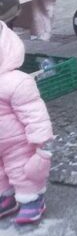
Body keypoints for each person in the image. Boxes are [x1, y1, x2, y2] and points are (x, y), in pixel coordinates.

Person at [0, 21, 52, 225]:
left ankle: (32, 199)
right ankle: (5, 196)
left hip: (16, 143)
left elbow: (33, 112)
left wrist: (40, 138)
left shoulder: (16, 81)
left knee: (22, 171)